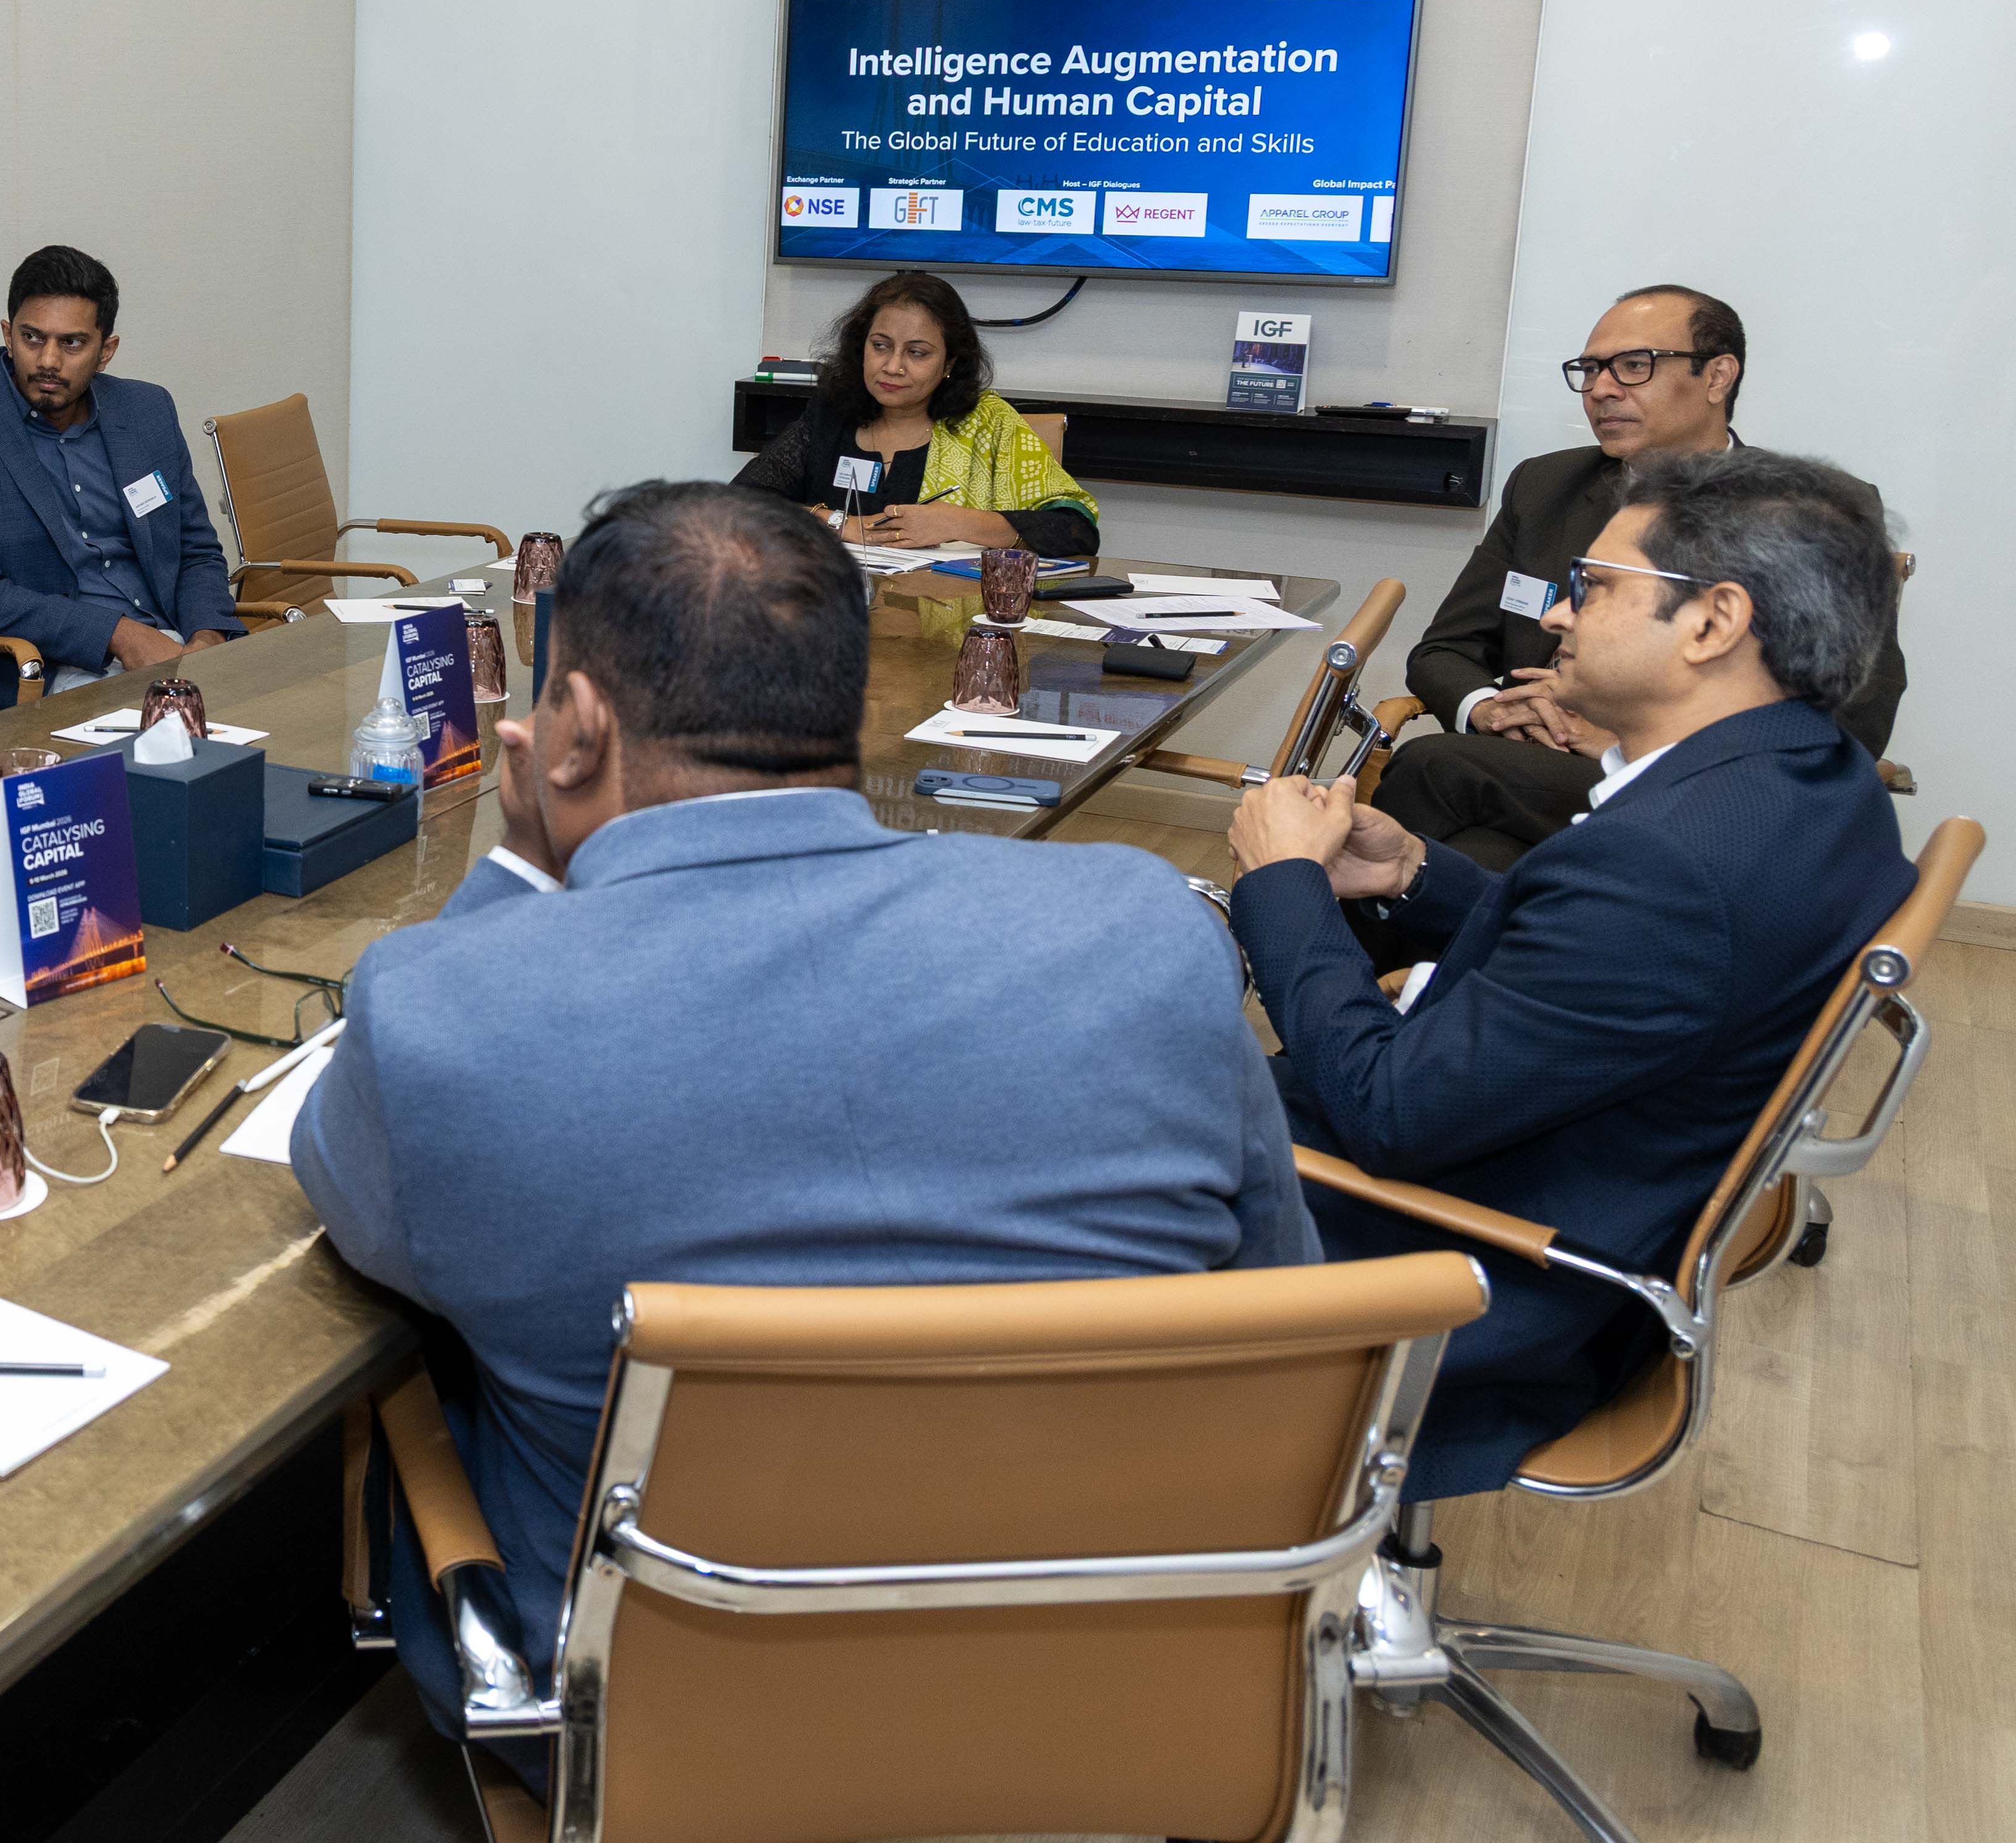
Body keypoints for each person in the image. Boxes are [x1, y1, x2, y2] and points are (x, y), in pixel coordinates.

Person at [293, 480, 1307, 1747]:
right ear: (850, 702)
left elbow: (352, 1201)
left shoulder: (446, 1014)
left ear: (575, 731)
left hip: (659, 1718)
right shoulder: (1149, 928)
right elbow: (1279, 1298)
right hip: (1107, 1680)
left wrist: (521, 869)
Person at [1228, 446, 1915, 1500]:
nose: (1556, 614)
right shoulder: (1813, 780)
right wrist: (1413, 873)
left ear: (1713, 622)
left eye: (1593, 587)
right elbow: (1593, 969)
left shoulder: (1668, 868)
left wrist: (1286, 888)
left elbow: (1387, 1112)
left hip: (1451, 1284)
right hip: (1543, 1194)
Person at [1379, 284, 1907, 867]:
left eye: (1635, 366)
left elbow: (1857, 713)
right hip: (1526, 769)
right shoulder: (1546, 486)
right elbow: (1444, 651)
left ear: (1717, 376)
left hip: (1693, 789)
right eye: (1590, 369)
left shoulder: (1804, 510)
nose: (1601, 389)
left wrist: (1630, 743)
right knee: (1469, 857)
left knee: (1435, 767)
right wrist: (1490, 710)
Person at [0, 246, 245, 717]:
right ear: (8, 334)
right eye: (31, 337)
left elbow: (196, 550)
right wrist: (120, 635)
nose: (48, 360)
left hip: (177, 652)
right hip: (55, 671)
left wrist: (207, 638)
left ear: (106, 351)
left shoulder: (147, 412)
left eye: (71, 344)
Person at [732, 270, 1099, 554]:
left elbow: (1077, 531)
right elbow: (738, 505)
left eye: (917, 353)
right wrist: (840, 523)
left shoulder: (989, 424)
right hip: (837, 605)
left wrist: (961, 523)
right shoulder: (830, 415)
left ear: (950, 363)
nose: (893, 367)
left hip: (954, 614)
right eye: (880, 346)